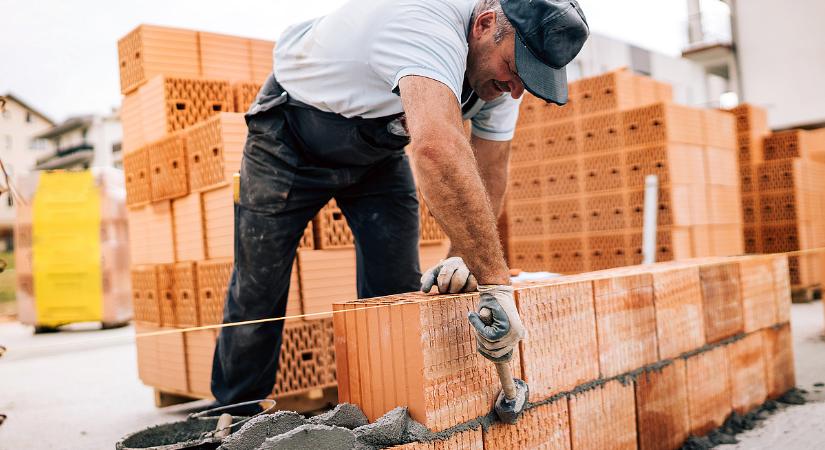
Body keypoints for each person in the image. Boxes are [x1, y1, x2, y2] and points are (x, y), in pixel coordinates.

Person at [210, 0, 589, 414]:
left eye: (529, 80)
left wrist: (463, 260)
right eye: (515, 72)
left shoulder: (501, 71)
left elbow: (491, 168)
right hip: (290, 134)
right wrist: (495, 283)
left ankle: (386, 414)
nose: (517, 89)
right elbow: (436, 148)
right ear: (483, 25)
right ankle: (233, 415)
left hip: (376, 151)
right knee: (258, 285)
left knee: (394, 289)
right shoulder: (424, 22)